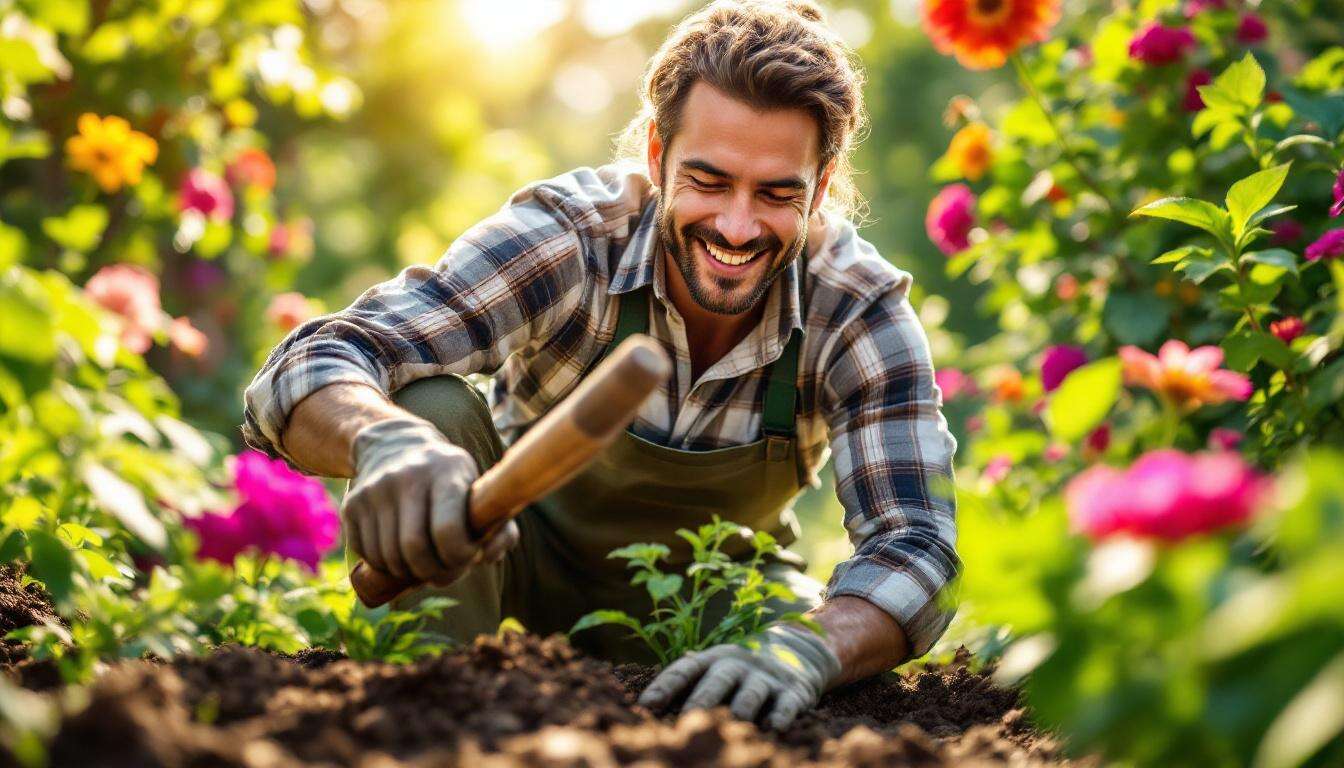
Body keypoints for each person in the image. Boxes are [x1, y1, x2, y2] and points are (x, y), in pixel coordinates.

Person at [242, 0, 959, 731]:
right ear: (656, 154)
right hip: (505, 562)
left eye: (777, 194)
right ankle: (425, 723)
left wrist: (809, 647)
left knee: (803, 683)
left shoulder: (857, 308)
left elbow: (918, 543)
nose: (737, 227)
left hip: (713, 594)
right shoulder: (574, 237)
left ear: (824, 179)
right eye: (709, 181)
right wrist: (378, 439)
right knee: (430, 410)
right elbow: (316, 359)